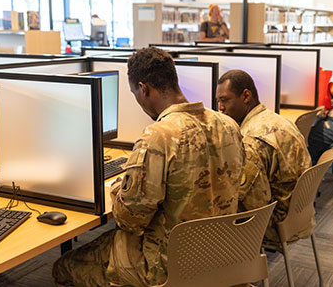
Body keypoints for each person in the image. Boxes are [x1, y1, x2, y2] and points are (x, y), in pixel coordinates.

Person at [53, 47, 245, 287]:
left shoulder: (158, 137)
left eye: (135, 94)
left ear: (144, 89)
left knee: (63, 266)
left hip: (167, 266)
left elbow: (130, 221)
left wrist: (117, 189)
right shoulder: (229, 125)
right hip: (222, 255)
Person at [216, 70, 311, 243]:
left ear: (246, 96)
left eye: (225, 100)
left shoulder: (251, 140)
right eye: (218, 102)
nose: (220, 108)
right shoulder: (276, 119)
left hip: (275, 224)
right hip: (300, 213)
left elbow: (251, 203)